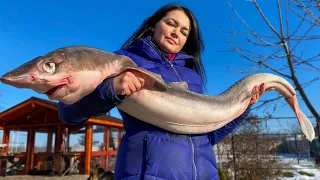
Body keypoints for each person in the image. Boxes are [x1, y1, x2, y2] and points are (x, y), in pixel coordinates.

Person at [58, 3, 267, 180]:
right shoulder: (123, 61)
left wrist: (244, 106)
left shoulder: (192, 76)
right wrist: (112, 89)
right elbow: (69, 111)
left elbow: (208, 136)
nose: (177, 33)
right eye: (170, 23)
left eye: (184, 32)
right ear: (153, 26)